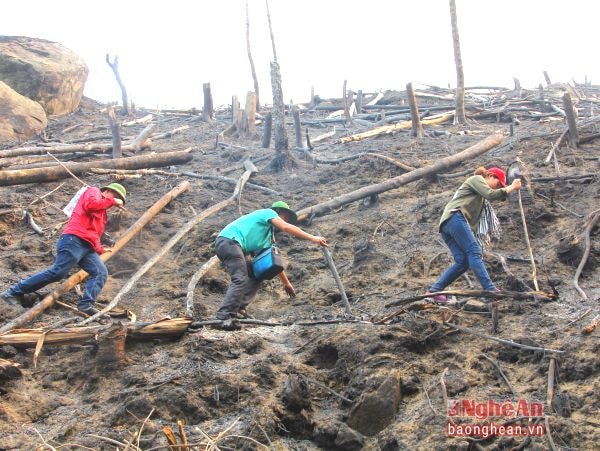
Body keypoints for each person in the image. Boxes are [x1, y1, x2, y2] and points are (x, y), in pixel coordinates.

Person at [1, 183, 127, 315]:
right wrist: (112, 201)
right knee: (58, 273)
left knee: (100, 272)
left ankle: (86, 305)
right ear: (107, 191)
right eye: (116, 195)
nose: (117, 200)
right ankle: (12, 292)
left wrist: (100, 249)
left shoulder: (103, 210)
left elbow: (94, 233)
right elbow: (90, 205)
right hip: (73, 240)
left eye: (119, 198)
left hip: (86, 247)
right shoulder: (93, 191)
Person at [214, 201, 327, 320]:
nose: (286, 220)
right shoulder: (268, 212)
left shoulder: (267, 237)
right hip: (228, 241)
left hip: (234, 247)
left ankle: (239, 308)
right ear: (278, 212)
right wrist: (313, 238)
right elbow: (286, 227)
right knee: (240, 278)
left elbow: (274, 262)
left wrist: (286, 283)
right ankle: (224, 315)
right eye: (285, 217)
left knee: (258, 273)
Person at [426, 167, 522, 302]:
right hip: (455, 217)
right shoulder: (476, 179)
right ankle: (489, 289)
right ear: (490, 176)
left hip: (447, 225)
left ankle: (434, 291)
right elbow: (492, 194)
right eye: (498, 184)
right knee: (474, 251)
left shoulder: (480, 196)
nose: (497, 188)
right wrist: (512, 186)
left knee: (463, 262)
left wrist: (513, 186)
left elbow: (498, 197)